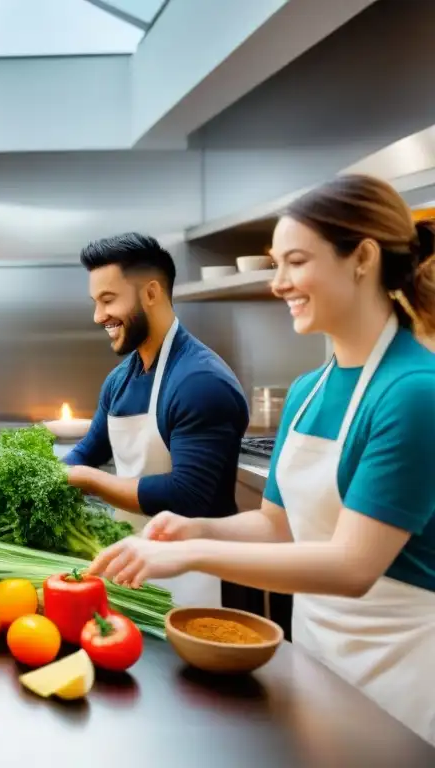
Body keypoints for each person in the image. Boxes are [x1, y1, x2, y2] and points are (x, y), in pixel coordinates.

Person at [89, 174, 435, 745]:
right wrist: (193, 527)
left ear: (363, 259)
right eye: (274, 264)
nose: (278, 284)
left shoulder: (414, 391)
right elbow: (277, 525)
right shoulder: (307, 390)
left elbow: (352, 567)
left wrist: (192, 555)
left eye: (295, 262)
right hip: (321, 652)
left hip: (403, 668)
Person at [63, 233, 251, 609]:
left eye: (108, 300)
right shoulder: (121, 380)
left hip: (199, 581)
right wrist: (41, 475)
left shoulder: (200, 381)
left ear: (150, 294)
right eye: (95, 302)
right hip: (133, 569)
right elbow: (87, 451)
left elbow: (189, 495)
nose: (98, 316)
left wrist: (87, 480)